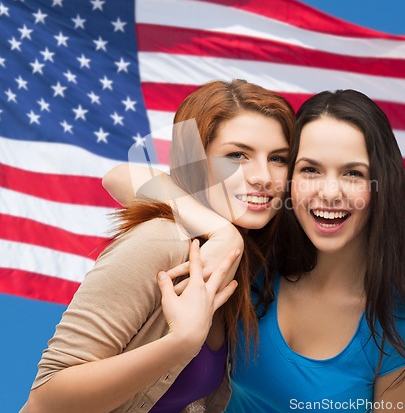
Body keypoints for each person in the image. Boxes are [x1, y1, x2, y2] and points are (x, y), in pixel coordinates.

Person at [22, 79, 295, 413]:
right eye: (237, 155)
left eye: (279, 159)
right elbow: (46, 399)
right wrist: (179, 344)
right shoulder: (161, 242)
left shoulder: (252, 268)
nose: (263, 176)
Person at [225, 89, 405, 412]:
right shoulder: (251, 256)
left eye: (353, 173)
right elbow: (131, 179)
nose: (329, 192)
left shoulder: (399, 324)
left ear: (382, 185)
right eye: (310, 170)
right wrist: (218, 233)